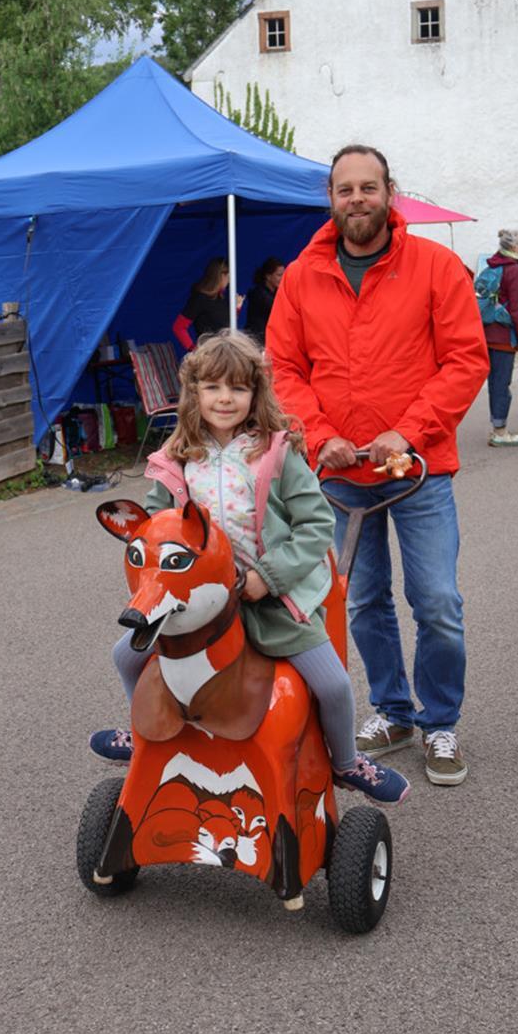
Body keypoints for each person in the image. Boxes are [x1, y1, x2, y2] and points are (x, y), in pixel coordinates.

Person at [90, 330, 410, 805]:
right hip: (195, 602)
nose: (225, 399)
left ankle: (345, 762)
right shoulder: (175, 459)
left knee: (332, 682)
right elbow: (157, 531)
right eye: (213, 387)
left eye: (238, 389)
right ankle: (144, 733)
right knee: (126, 654)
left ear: (255, 394)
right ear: (194, 392)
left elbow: (316, 522)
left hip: (267, 597)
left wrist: (268, 576)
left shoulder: (275, 453)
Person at [266, 144, 490, 787]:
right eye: (345, 189)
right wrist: (320, 436)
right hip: (337, 477)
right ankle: (392, 711)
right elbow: (283, 369)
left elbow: (465, 360)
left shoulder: (435, 266)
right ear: (329, 199)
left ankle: (440, 719)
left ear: (390, 192)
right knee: (361, 601)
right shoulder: (302, 278)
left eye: (369, 187)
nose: (358, 199)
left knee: (437, 600)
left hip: (416, 470)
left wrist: (409, 432)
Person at [479, 228, 518, 446]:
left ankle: (497, 427)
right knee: (501, 384)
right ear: (515, 246)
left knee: (493, 383)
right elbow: (517, 311)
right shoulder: (513, 270)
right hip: (503, 336)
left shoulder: (493, 265)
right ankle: (500, 431)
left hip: (486, 331)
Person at [172, 257, 243, 350]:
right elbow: (179, 327)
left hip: (225, 353)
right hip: (211, 355)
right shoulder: (200, 298)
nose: (229, 281)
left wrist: (237, 308)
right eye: (228, 276)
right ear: (219, 275)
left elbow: (226, 325)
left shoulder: (221, 297)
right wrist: (194, 350)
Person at [244, 257, 285, 346]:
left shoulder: (274, 292)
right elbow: (279, 310)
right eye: (279, 275)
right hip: (257, 341)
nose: (282, 278)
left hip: (266, 339)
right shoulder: (260, 294)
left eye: (283, 274)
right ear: (268, 276)